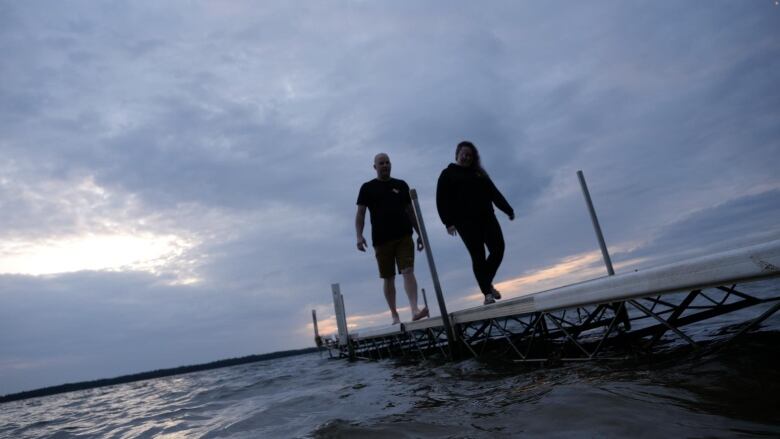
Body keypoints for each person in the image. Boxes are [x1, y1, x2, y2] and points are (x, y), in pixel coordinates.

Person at [436, 141, 515, 305]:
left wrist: (508, 209)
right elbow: (441, 200)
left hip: (487, 218)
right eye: (464, 153)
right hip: (465, 223)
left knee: (498, 249)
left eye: (470, 155)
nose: (466, 157)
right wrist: (448, 222)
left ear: (474, 158)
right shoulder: (448, 173)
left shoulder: (479, 174)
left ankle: (486, 284)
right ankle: (487, 293)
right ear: (457, 154)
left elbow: (494, 193)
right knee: (478, 256)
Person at [356, 153, 429, 324]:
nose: (385, 165)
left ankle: (414, 309)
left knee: (408, 271)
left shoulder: (401, 185)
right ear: (375, 167)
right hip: (381, 240)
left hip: (404, 235)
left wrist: (420, 234)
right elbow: (360, 214)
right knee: (388, 277)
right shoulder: (367, 188)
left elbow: (410, 211)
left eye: (387, 162)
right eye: (381, 163)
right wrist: (359, 236)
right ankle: (395, 315)